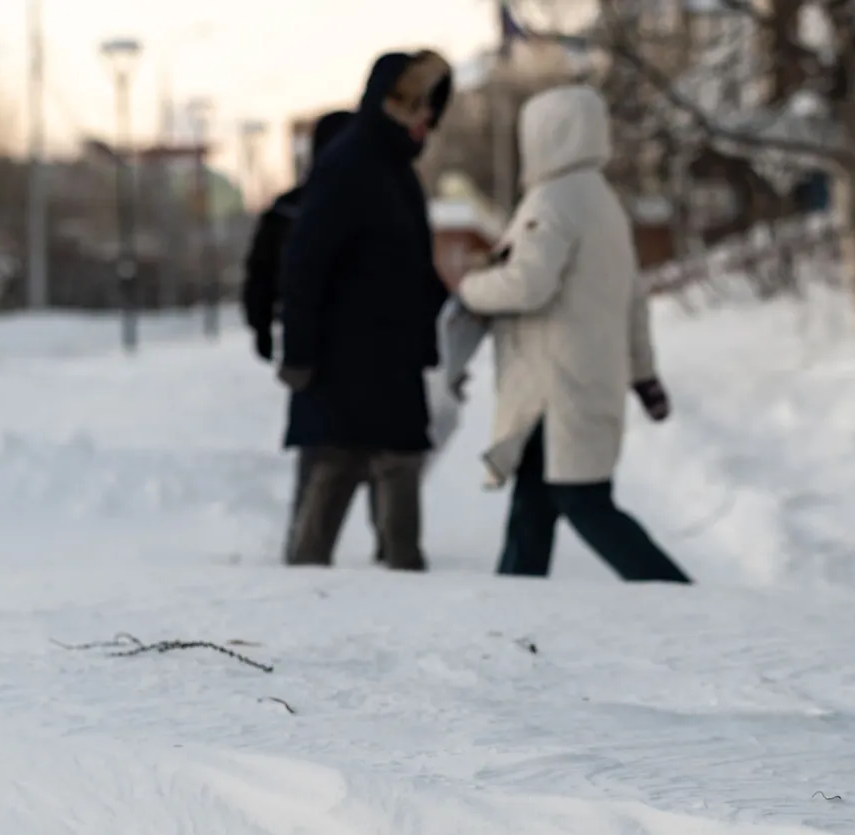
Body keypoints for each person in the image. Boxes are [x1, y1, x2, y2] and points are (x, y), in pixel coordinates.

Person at [454, 84, 690, 584]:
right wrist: (644, 375)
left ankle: (677, 595)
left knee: (582, 502)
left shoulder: (552, 200)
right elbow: (632, 302)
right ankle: (511, 605)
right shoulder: (603, 202)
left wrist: (470, 288)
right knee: (534, 506)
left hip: (553, 387)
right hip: (585, 380)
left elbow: (528, 284)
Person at [278, 50, 453, 572]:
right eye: (420, 108)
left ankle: (406, 593)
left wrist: (434, 330)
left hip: (391, 363)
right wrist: (300, 352)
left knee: (400, 468)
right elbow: (304, 264)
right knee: (335, 468)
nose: (428, 123)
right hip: (341, 363)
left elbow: (412, 267)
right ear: (394, 105)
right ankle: (301, 599)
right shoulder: (349, 163)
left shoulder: (397, 171)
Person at [239, 110, 388, 560]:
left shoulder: (289, 208)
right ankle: (388, 547)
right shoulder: (376, 203)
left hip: (315, 349)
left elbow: (259, 277)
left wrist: (264, 329)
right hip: (361, 350)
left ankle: (304, 548)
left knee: (322, 448)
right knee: (376, 448)